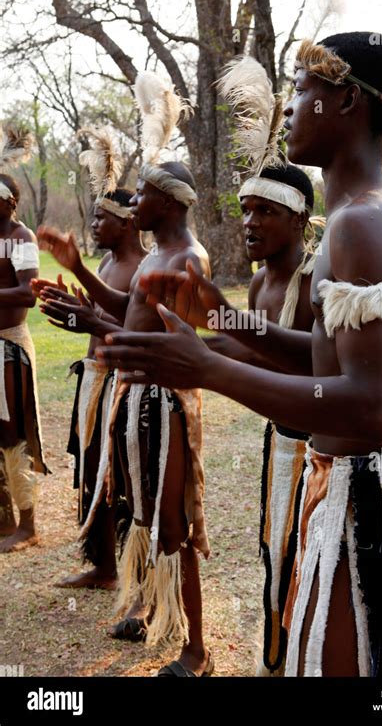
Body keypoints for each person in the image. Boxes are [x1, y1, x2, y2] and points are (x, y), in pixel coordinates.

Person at [96, 33, 382, 677]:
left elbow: (369, 408)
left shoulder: (364, 224)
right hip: (371, 497)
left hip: (377, 515)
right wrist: (220, 320)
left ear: (347, 100)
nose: (290, 107)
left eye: (303, 90)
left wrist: (209, 370)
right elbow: (331, 359)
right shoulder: (361, 213)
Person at [38, 70, 213, 676]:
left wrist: (101, 329)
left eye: (140, 196)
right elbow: (126, 312)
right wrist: (81, 286)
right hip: (135, 403)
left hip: (164, 406)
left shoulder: (188, 259)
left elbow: (171, 344)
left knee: (173, 523)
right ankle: (147, 611)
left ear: (166, 201)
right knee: (139, 512)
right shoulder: (159, 255)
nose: (132, 203)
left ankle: (196, 649)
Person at [206, 163, 317, 675]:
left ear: (299, 220)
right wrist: (188, 348)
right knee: (277, 555)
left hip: (320, 456)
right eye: (246, 211)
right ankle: (279, 661)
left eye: (265, 212)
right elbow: (244, 347)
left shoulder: (317, 282)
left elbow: (317, 364)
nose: (249, 222)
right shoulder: (257, 286)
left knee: (307, 565)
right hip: (279, 445)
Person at [33, 187, 146, 589]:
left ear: (127, 221)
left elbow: (139, 336)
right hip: (94, 379)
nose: (93, 225)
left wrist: (90, 321)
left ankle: (136, 574)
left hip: (124, 386)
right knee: (91, 471)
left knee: (123, 478)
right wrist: (68, 309)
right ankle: (103, 567)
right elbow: (95, 315)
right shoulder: (106, 265)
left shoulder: (143, 269)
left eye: (101, 218)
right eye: (93, 216)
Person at [0, 126, 50, 554]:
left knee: (14, 431)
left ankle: (28, 523)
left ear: (9, 202)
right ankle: (2, 518)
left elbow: (27, 293)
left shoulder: (21, 238)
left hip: (10, 347)